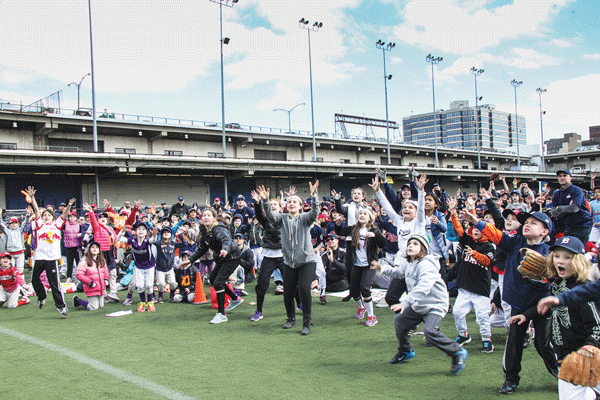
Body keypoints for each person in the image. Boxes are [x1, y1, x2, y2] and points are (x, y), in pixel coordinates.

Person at [462, 209, 559, 394]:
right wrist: (476, 221)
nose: (527, 224)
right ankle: (510, 379)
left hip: (541, 304)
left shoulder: (550, 253)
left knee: (542, 343)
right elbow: (496, 234)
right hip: (518, 302)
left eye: (534, 222)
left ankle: (560, 373)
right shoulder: (516, 242)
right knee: (514, 341)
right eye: (526, 222)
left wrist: (548, 276)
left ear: (545, 232)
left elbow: (558, 279)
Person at [512, 236, 600, 400]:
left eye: (568, 257)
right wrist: (527, 315)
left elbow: (596, 327)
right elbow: (548, 306)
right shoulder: (557, 283)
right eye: (557, 256)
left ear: (579, 261)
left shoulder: (583, 288)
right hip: (567, 357)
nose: (561, 261)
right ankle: (590, 394)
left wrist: (588, 348)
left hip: (589, 356)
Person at [371, 234, 468, 374]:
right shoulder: (410, 263)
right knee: (399, 321)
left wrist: (405, 302)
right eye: (409, 243)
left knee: (429, 331)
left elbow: (424, 286)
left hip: (435, 305)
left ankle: (456, 351)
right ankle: (405, 351)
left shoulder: (427, 264)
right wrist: (383, 268)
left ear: (423, 249)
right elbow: (399, 273)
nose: (410, 246)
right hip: (418, 305)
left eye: (415, 244)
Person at [258, 181, 319, 335]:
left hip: (306, 261)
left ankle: (306, 322)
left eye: (295, 202)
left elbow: (314, 213)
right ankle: (290, 318)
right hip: (289, 262)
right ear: (286, 206)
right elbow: (270, 216)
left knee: (304, 289)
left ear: (300, 206)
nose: (291, 204)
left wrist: (314, 196)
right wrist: (265, 200)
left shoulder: (305, 218)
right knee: (288, 293)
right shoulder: (282, 218)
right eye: (289, 202)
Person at [446, 197, 496, 353]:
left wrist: (473, 253)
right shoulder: (468, 239)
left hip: (481, 289)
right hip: (465, 286)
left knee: (482, 316)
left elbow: (487, 261)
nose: (475, 230)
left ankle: (487, 340)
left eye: (479, 229)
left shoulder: (489, 246)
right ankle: (463, 335)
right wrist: (453, 211)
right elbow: (458, 228)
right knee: (457, 312)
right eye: (474, 228)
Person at [182, 207, 243, 324]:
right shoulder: (205, 232)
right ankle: (235, 298)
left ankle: (221, 314)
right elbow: (201, 248)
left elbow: (226, 240)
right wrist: (190, 260)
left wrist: (225, 249)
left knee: (219, 283)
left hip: (232, 257)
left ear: (214, 217)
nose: (205, 217)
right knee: (213, 279)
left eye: (208, 215)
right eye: (204, 215)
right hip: (222, 258)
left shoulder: (218, 228)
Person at [335, 204, 386, 327]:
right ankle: (361, 307)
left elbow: (383, 243)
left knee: (365, 289)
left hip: (369, 264)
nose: (362, 215)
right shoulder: (354, 229)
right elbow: (340, 232)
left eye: (365, 214)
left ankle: (371, 316)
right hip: (357, 264)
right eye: (360, 214)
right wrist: (338, 224)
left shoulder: (373, 230)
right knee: (353, 291)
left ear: (370, 218)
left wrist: (376, 236)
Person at [26, 186, 74, 318]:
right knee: (34, 278)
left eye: (48, 215)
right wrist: (32, 197)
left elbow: (64, 215)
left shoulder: (56, 225)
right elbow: (36, 209)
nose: (46, 216)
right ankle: (42, 296)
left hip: (52, 258)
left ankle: (61, 306)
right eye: (44, 215)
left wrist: (69, 205)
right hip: (40, 257)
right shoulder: (40, 225)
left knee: (54, 284)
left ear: (53, 217)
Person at [249, 191, 286, 322]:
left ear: (281, 207)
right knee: (261, 285)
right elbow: (259, 214)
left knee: (293, 283)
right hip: (269, 256)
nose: (273, 206)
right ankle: (259, 311)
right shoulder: (266, 220)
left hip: (284, 256)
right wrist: (258, 203)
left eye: (275, 204)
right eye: (270, 204)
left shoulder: (285, 219)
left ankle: (299, 304)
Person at [117, 221, 157, 312]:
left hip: (149, 266)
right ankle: (142, 303)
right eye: (139, 229)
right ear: (135, 231)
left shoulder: (147, 241)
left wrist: (154, 235)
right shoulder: (132, 241)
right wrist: (122, 231)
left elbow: (153, 240)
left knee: (149, 285)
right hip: (139, 266)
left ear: (146, 232)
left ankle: (150, 302)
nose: (141, 231)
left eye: (143, 229)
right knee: (139, 285)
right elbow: (119, 238)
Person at [550, 168, 592, 244]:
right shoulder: (557, 193)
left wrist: (560, 208)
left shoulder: (577, 190)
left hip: (582, 225)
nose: (562, 178)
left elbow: (575, 208)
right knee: (568, 248)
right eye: (560, 176)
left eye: (565, 175)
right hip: (568, 225)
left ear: (570, 178)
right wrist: (567, 209)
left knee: (578, 249)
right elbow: (553, 212)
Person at [73, 242, 109, 311]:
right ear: (89, 249)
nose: (95, 249)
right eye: (93, 247)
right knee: (94, 307)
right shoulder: (84, 262)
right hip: (91, 287)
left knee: (101, 306)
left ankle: (93, 301)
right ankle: (78, 301)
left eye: (96, 247)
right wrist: (90, 282)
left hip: (101, 288)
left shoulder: (102, 261)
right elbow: (78, 274)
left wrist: (106, 279)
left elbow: (106, 272)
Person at [153, 226, 185, 303]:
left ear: (171, 234)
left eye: (168, 232)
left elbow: (184, 244)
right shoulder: (159, 243)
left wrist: (180, 234)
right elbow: (152, 242)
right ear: (162, 234)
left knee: (173, 283)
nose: (166, 234)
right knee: (160, 284)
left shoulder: (173, 243)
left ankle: (171, 295)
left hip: (170, 268)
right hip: (160, 268)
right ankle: (160, 296)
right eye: (164, 232)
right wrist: (154, 234)